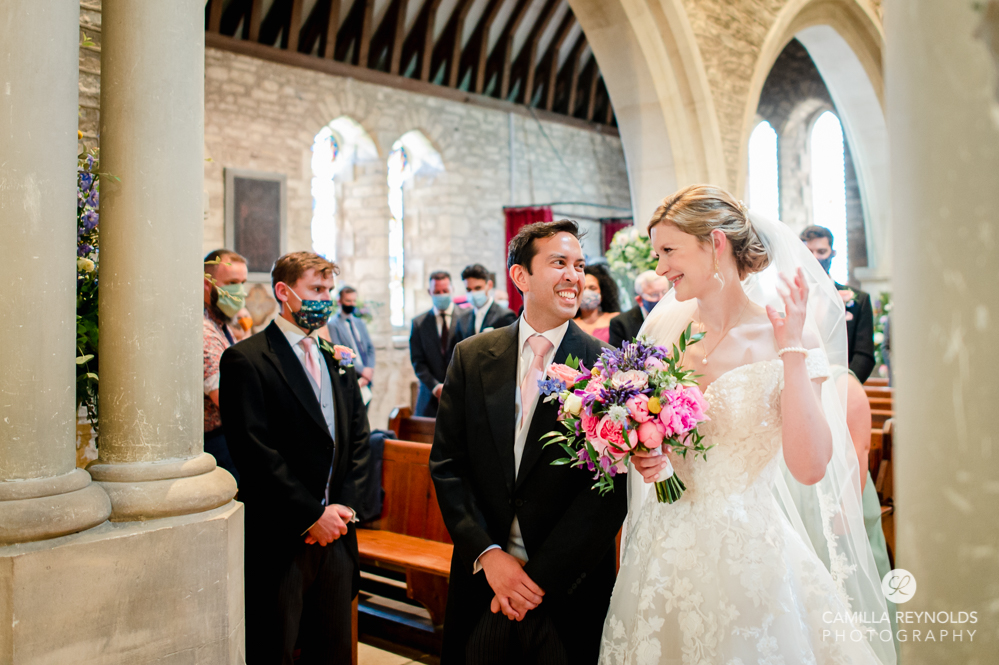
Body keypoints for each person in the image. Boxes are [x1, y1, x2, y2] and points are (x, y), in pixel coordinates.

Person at [600, 186, 894, 664]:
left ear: (716, 243)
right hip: (661, 546)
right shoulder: (661, 333)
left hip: (749, 554)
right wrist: (647, 451)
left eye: (669, 251)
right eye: (657, 254)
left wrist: (792, 352)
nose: (659, 269)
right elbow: (655, 435)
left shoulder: (787, 332)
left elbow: (811, 468)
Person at [431, 220, 628, 665]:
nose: (574, 276)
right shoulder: (472, 355)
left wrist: (534, 582)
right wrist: (488, 555)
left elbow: (609, 491)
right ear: (521, 277)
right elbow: (448, 465)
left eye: (579, 265)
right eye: (559, 263)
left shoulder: (607, 367)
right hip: (484, 578)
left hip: (566, 588)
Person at [219, 251, 370, 664]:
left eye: (329, 290)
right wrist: (309, 515)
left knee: (334, 647)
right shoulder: (246, 359)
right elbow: (254, 451)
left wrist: (343, 509)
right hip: (283, 534)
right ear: (284, 292)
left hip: (337, 532)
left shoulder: (337, 360)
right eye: (316, 290)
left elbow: (358, 439)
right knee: (276, 645)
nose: (326, 299)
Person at [800, 225, 876, 383]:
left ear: (832, 253)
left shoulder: (858, 300)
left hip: (840, 385)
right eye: (809, 252)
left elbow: (863, 354)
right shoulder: (787, 299)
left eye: (821, 252)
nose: (815, 258)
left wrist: (844, 386)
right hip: (800, 383)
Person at [203, 249, 247, 483]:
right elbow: (224, 397)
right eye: (231, 283)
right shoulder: (203, 330)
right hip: (214, 440)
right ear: (207, 285)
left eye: (242, 283)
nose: (239, 291)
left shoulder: (220, 324)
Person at [410, 271, 471, 417]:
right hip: (430, 399)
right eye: (437, 292)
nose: (441, 294)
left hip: (462, 396)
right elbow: (418, 362)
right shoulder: (419, 323)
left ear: (452, 290)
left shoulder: (467, 317)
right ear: (429, 292)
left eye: (445, 291)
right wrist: (436, 387)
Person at [328, 286, 376, 395]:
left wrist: (369, 370)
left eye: (354, 301)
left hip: (366, 377)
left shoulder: (359, 323)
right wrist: (361, 370)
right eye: (348, 301)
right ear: (340, 301)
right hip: (350, 377)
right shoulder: (333, 325)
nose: (351, 304)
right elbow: (340, 354)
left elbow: (370, 348)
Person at [607, 270, 670, 347]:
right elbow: (618, 355)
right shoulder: (621, 323)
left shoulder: (677, 315)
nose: (661, 299)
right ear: (639, 299)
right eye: (654, 294)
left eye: (664, 292)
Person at [455, 263, 518, 338]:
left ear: (489, 285)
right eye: (469, 290)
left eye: (478, 288)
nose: (473, 293)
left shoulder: (505, 316)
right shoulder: (462, 319)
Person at [574, 264, 620, 342]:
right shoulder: (569, 324)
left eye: (592, 288)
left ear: (602, 293)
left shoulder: (615, 319)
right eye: (583, 288)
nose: (587, 292)